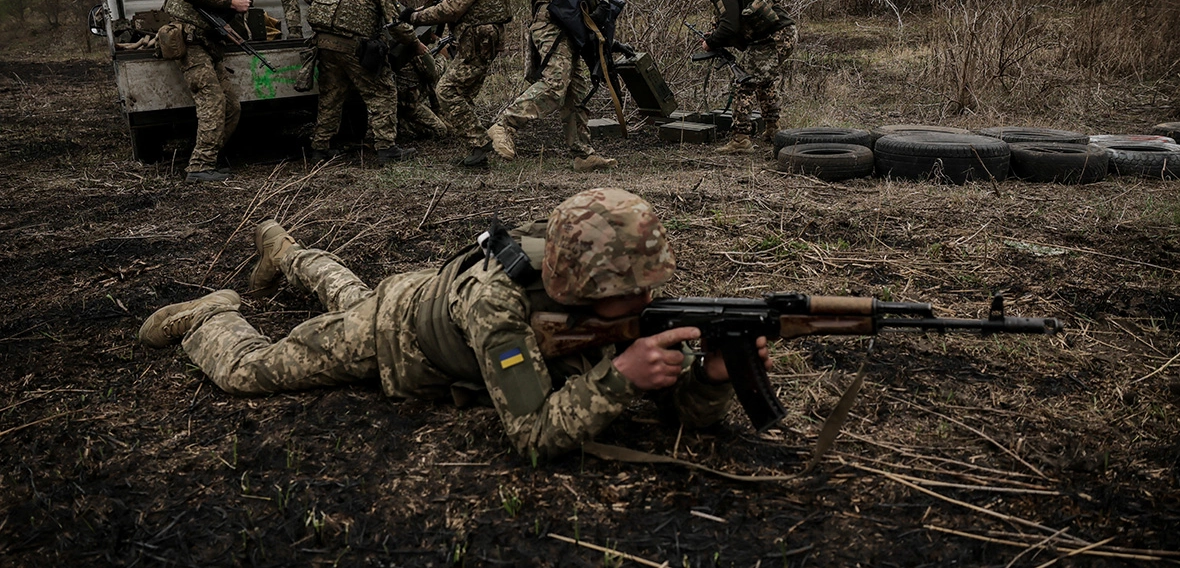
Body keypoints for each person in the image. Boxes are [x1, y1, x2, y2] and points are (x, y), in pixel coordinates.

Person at [138, 188, 772, 459]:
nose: (647, 301)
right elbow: (531, 435)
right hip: (394, 335)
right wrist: (619, 381)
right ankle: (209, 318)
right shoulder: (501, 307)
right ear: (585, 286)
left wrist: (713, 377)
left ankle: (286, 253)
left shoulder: (612, 280)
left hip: (424, 296)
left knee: (344, 290)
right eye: (631, 293)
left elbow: (685, 413)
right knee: (253, 372)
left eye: (647, 288)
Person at [485, 0, 622, 173]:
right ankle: (504, 125)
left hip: (564, 29)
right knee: (556, 83)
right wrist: (601, 1)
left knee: (576, 90)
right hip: (553, 27)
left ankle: (582, 154)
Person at [402, 0, 512, 167]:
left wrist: (414, 17)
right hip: (479, 42)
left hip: (476, 43)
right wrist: (413, 12)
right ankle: (476, 152)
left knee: (447, 91)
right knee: (462, 94)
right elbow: (441, 1)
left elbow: (450, 9)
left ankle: (479, 142)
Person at [305, 0, 424, 163]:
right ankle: (387, 148)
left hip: (325, 44)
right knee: (383, 92)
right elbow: (397, 25)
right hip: (354, 47)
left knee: (331, 96)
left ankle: (320, 148)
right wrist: (416, 44)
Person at [160, 0, 267, 182]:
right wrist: (231, 2)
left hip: (208, 44)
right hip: (190, 42)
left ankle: (209, 158)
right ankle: (199, 167)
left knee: (231, 107)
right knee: (213, 100)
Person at [689, 0, 797, 154]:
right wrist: (715, 35)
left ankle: (740, 139)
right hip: (783, 34)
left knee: (744, 83)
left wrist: (710, 42)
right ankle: (773, 129)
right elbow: (735, 25)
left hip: (773, 39)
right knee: (763, 81)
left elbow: (729, 27)